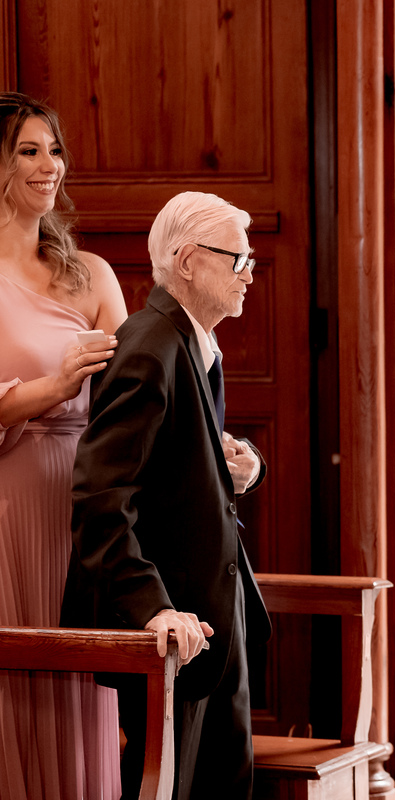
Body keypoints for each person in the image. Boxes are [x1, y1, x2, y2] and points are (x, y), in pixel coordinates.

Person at [61, 191, 271, 799]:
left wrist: (244, 470)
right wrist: (153, 610)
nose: (249, 271)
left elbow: (180, 475)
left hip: (211, 611)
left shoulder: (193, 342)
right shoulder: (149, 349)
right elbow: (101, 497)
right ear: (187, 262)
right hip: (172, 630)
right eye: (237, 258)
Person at [0, 92, 126, 800]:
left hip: (83, 506)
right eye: (29, 150)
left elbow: (141, 389)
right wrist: (52, 386)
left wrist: (218, 442)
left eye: (54, 150)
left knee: (83, 677)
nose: (51, 166)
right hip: (10, 500)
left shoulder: (93, 275)